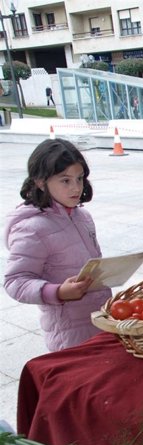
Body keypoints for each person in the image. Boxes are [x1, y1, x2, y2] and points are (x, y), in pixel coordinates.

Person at [4, 138, 112, 351]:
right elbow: (15, 281)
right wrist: (58, 292)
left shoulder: (83, 216)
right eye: (65, 180)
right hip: (69, 333)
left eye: (80, 179)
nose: (76, 188)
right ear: (40, 182)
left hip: (100, 319)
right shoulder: (32, 227)